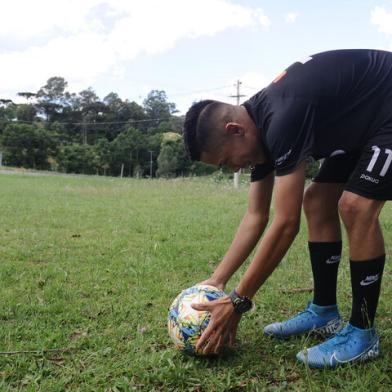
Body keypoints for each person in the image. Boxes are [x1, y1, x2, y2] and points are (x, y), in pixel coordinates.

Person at [182, 49, 392, 368]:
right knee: (318, 200)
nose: (235, 169)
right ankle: (323, 312)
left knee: (355, 206)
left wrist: (238, 301)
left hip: (387, 106)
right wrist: (217, 280)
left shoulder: (283, 116)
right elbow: (256, 216)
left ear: (234, 130)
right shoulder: (258, 130)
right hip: (365, 120)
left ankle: (362, 335)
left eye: (227, 161)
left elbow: (285, 223)